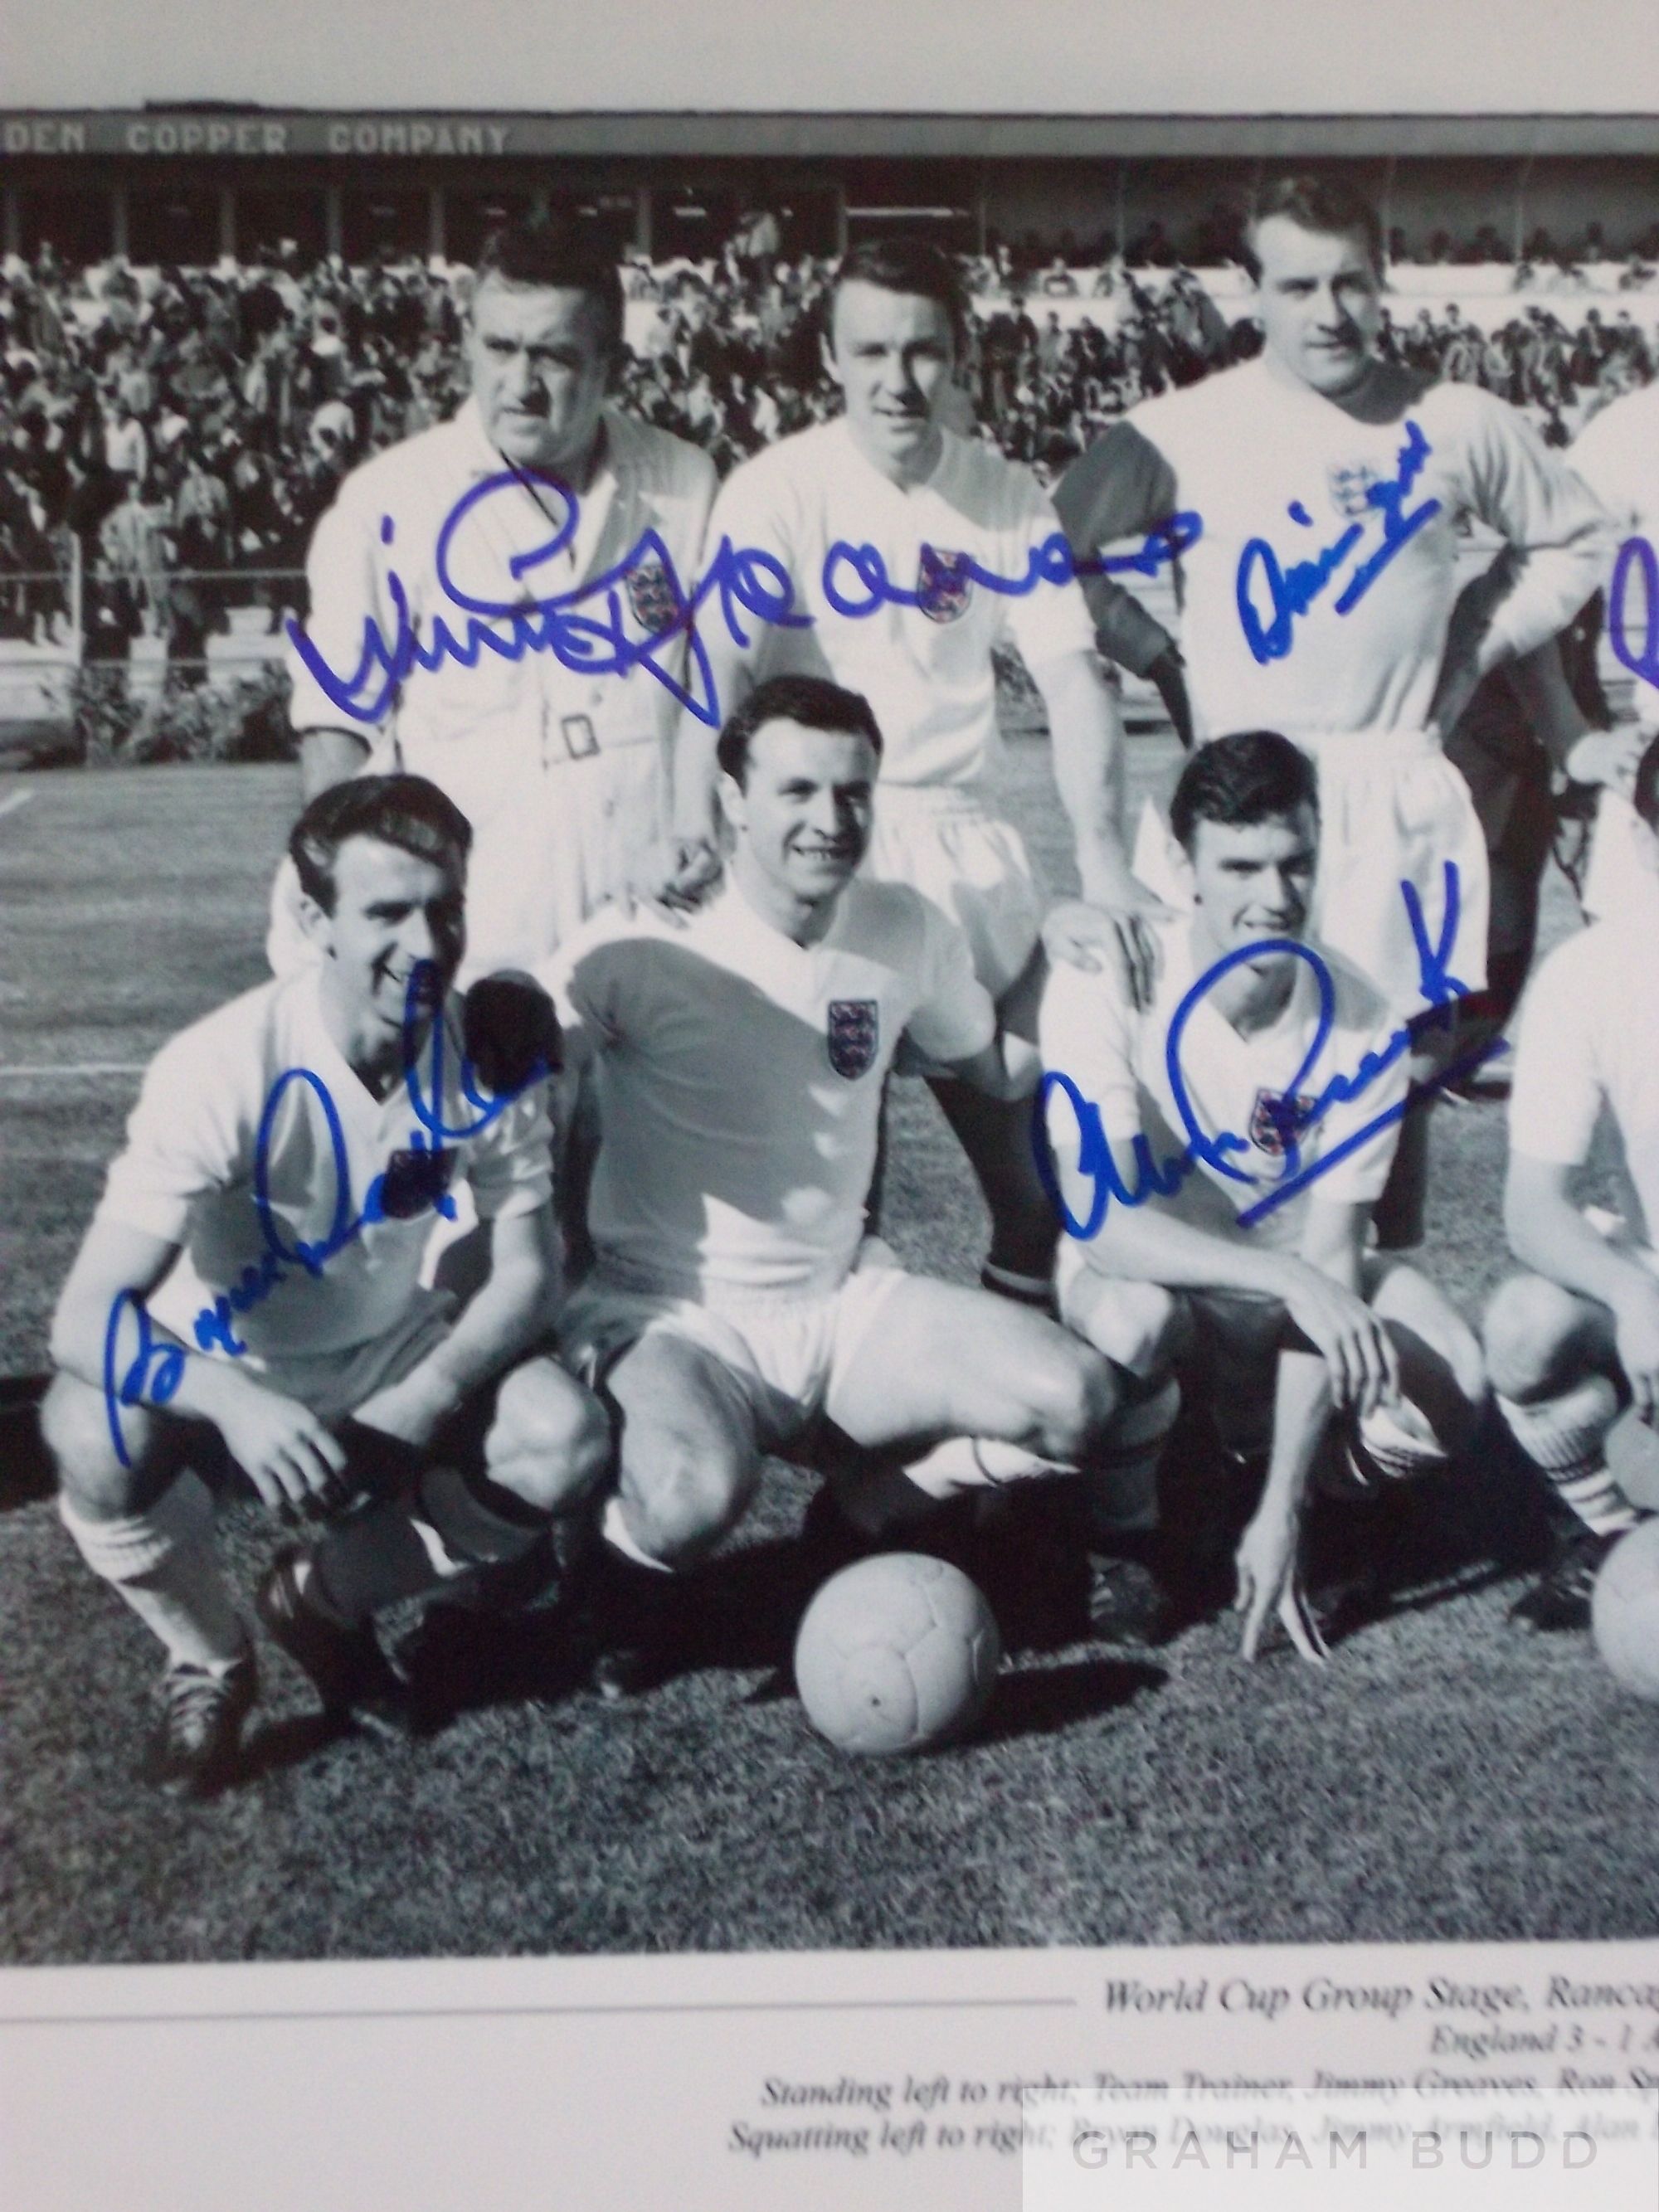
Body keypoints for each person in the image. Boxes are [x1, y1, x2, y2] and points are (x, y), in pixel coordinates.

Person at [547, 675, 1137, 1695]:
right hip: (672, 1311)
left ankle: (869, 1508)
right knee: (689, 1500)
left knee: (1074, 1401)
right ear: (732, 798)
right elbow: (522, 1074)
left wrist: (1056, 947)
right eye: (797, 792)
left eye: (852, 793)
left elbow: (993, 1064)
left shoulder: (901, 925)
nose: (830, 820)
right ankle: (613, 1571)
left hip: (840, 1303)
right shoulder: (638, 939)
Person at [1054, 173, 1613, 1246]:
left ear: (1383, 280)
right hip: (1241, 796)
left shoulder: (1454, 420)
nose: (1330, 312)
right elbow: (1045, 556)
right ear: (1251, 290)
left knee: (1383, 1080)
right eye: (1299, 285)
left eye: (1352, 283)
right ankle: (1211, 1377)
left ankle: (1363, 1378)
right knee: (1209, 1070)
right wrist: (1162, 658)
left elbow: (1576, 538)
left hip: (1391, 784)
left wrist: (1477, 636)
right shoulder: (1182, 428)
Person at [41, 775, 611, 1797]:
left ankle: (323, 1599)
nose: (426, 945)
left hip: (384, 1345)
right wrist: (234, 1406)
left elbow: (530, 1272)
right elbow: (83, 1319)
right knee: (91, 1435)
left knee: (562, 1436)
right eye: (385, 913)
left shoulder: (483, 1046)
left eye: (445, 908)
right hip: (224, 1359)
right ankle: (209, 1658)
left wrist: (420, 1399)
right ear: (313, 919)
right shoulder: (221, 1065)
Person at [663, 236, 1155, 1310]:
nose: (898, 379)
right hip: (823, 850)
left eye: (923, 350)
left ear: (961, 353)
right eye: (871, 350)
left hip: (962, 843)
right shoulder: (778, 488)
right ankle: (866, 1467)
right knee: (843, 1197)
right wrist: (691, 819)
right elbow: (719, 662)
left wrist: (1106, 861)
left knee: (1036, 1194)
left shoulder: (1006, 493)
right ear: (831, 358)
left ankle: (1005, 1461)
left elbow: (1077, 679)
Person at [1038, 732, 1486, 1660]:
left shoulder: (1359, 1017)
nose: (1273, 897)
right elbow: (1107, 1223)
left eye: (1294, 864)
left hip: (1285, 1292)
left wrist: (1282, 1506)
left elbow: (1328, 1260)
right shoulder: (1109, 978)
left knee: (1454, 1386)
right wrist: (1284, 1279)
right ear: (1182, 865)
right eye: (1239, 867)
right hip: (1157, 1275)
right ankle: (1126, 1537)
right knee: (1133, 1319)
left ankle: (1310, 1500)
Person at [275, 218, 718, 982]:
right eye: (499, 348)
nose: (520, 382)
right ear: (467, 343)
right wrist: (361, 911)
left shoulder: (685, 484)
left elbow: (723, 689)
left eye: (552, 355)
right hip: (474, 943)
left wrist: (697, 828)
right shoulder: (392, 499)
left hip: (657, 937)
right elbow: (335, 727)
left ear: (611, 363)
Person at [1483, 734, 1659, 1631]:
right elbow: (1531, 1209)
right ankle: (1605, 1529)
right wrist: (1633, 1296)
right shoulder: (1591, 974)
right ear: (1641, 841)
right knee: (1522, 1326)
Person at [1559, 372, 1659, 928]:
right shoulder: (1640, 425)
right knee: (1632, 982)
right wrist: (1575, 733)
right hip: (1656, 754)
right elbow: (1541, 574)